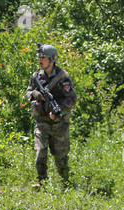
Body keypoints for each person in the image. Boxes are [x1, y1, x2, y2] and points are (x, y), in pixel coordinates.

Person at [26, 43, 77, 189]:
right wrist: (34, 94)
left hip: (59, 124)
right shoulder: (36, 76)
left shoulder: (63, 77)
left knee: (60, 157)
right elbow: (28, 92)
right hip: (42, 122)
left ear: (53, 59)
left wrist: (57, 110)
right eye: (39, 57)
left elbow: (72, 99)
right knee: (40, 154)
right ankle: (41, 182)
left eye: (44, 58)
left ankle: (66, 184)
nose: (40, 60)